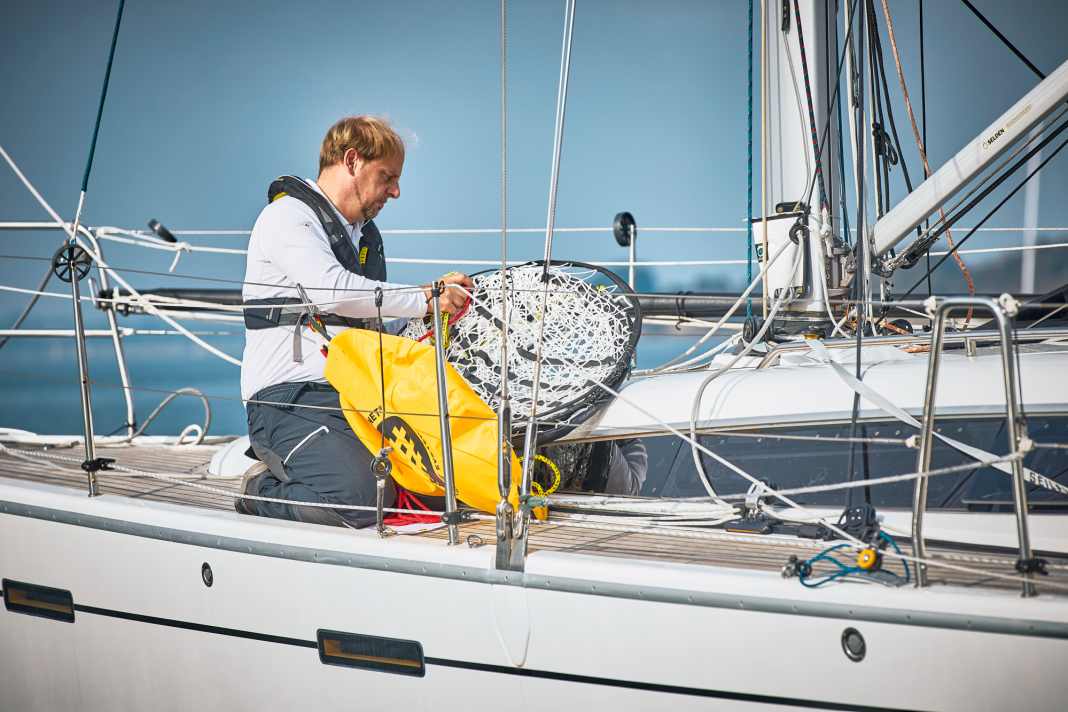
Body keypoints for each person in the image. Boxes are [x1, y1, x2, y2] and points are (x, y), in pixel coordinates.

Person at [237, 115, 472, 527]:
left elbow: (370, 321)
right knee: (360, 498)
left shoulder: (360, 236)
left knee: (437, 482)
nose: (396, 192)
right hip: (287, 399)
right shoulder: (288, 218)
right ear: (351, 161)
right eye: (388, 177)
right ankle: (260, 492)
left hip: (353, 394)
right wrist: (426, 298)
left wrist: (431, 324)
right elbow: (333, 291)